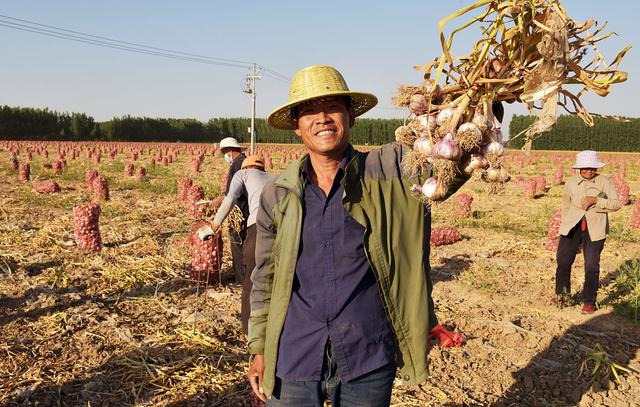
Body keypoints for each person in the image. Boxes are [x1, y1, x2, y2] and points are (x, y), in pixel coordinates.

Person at [246, 65, 470, 406]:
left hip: (367, 350)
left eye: (333, 107)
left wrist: (480, 100)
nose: (322, 118)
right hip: (294, 351)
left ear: (351, 116)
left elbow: (450, 162)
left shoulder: (391, 170)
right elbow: (265, 278)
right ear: (296, 126)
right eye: (308, 111)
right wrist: (259, 348)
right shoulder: (278, 194)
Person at [198, 155, 276, 335]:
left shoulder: (242, 174)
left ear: (246, 166)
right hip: (284, 229)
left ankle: (249, 330)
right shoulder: (275, 178)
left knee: (252, 278)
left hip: (259, 228)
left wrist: (214, 225)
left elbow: (230, 198)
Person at [555, 150, 621, 314]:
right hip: (572, 226)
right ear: (579, 168)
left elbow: (617, 204)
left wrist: (596, 200)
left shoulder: (604, 182)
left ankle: (589, 301)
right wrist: (563, 225)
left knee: (591, 265)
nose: (589, 171)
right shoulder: (570, 182)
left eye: (592, 168)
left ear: (596, 168)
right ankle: (563, 295)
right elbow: (566, 204)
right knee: (563, 261)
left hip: (595, 227)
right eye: (585, 168)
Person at [219, 137, 249, 284]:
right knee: (244, 243)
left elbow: (235, 192)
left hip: (240, 210)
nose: (225, 156)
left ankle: (241, 279)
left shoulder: (238, 164)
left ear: (229, 150)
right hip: (245, 209)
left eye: (225, 152)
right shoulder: (244, 161)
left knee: (237, 243)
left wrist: (221, 200)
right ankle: (239, 273)